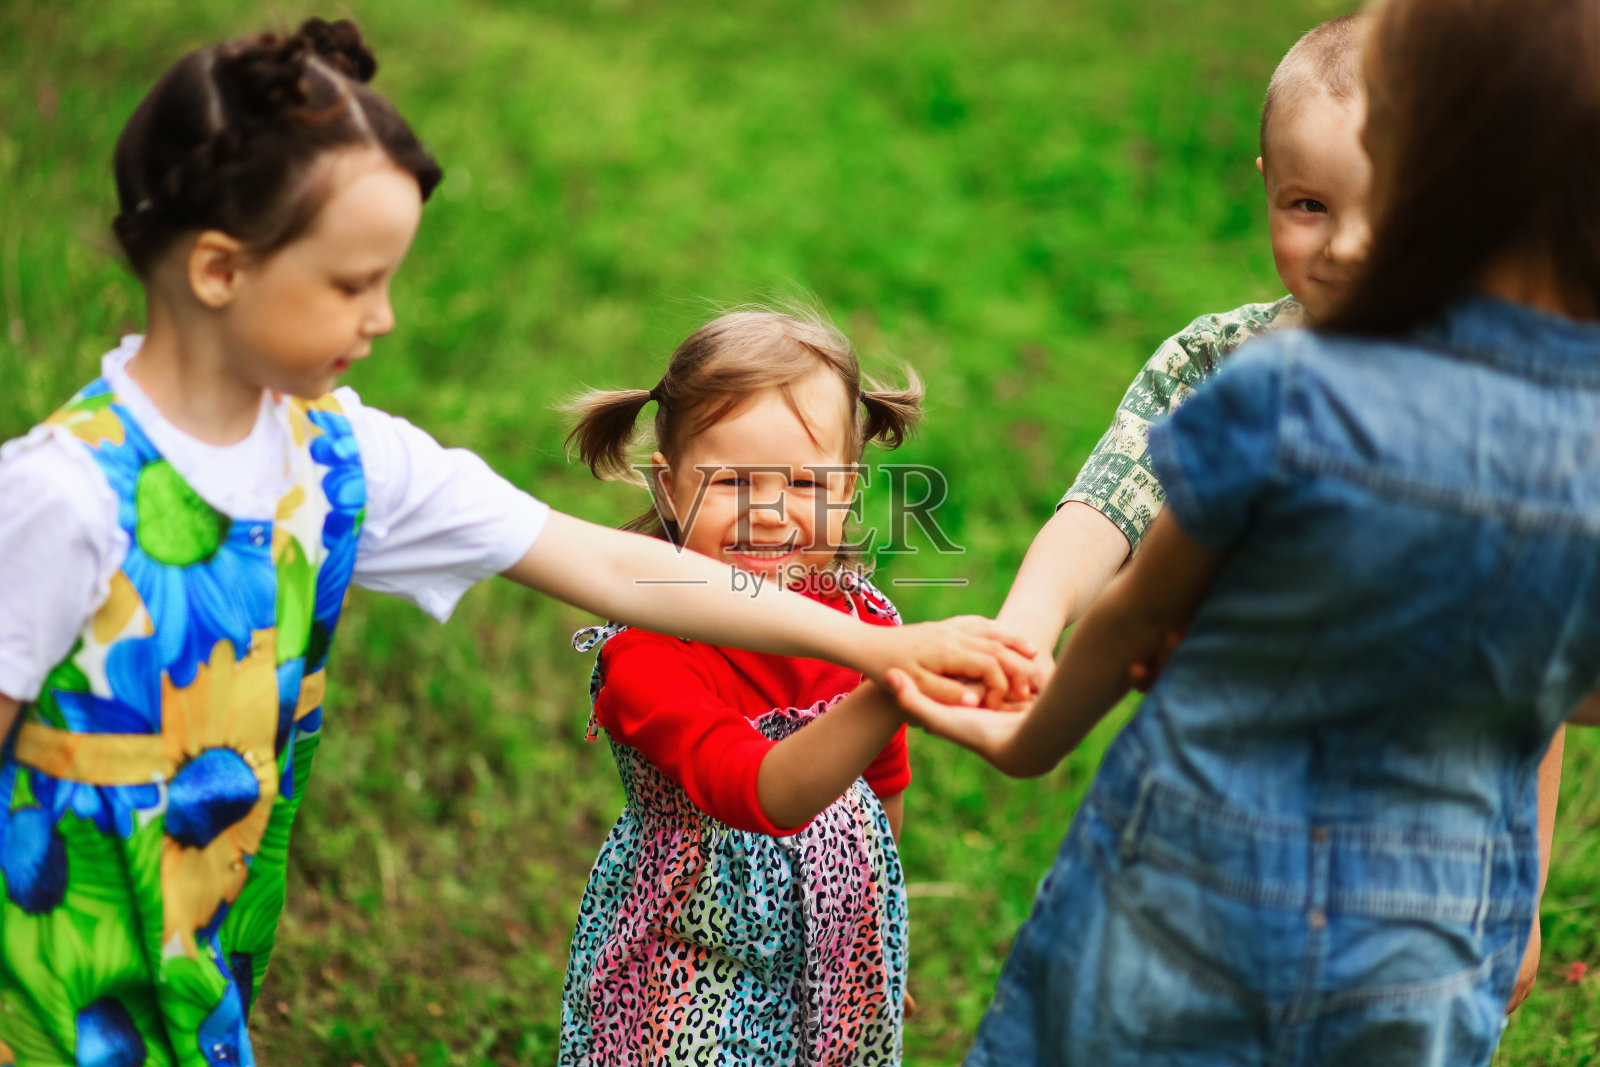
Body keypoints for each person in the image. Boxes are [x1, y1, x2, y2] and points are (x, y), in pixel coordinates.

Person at [0, 25, 1035, 1067]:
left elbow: (613, 563)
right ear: (220, 268)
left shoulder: (343, 458)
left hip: (210, 947)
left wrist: (879, 651)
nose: (387, 316)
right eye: (353, 283)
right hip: (45, 960)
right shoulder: (67, 495)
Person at [894, 0, 1600, 1061]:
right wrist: (1025, 627)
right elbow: (1109, 504)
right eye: (1309, 205)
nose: (1347, 246)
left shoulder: (1286, 392)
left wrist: (1527, 892)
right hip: (1423, 916)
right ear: (1264, 180)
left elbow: (1138, 609)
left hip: (1197, 865)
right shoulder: (1234, 359)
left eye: (1387, 205)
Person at [559, 310, 925, 1065]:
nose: (767, 511)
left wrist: (877, 925)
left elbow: (882, 783)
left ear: (848, 490)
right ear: (669, 487)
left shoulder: (862, 622)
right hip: (689, 962)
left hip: (835, 957)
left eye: (801, 482)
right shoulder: (652, 651)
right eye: (730, 482)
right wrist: (891, 681)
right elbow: (752, 791)